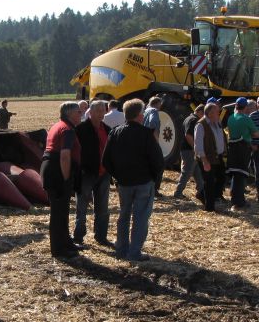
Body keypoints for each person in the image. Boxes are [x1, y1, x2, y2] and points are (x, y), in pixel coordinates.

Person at [102, 99, 164, 262]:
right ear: (139, 115)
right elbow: (158, 160)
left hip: (124, 182)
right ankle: (134, 252)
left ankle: (121, 249)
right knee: (141, 217)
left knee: (124, 215)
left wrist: (117, 176)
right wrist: (154, 179)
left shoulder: (115, 132)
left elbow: (106, 161)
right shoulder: (146, 134)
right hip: (144, 182)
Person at [40, 101, 83, 259]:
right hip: (58, 172)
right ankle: (58, 249)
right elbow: (65, 156)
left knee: (62, 210)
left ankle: (66, 242)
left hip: (50, 169)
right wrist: (66, 180)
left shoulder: (57, 125)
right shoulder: (67, 130)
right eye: (78, 112)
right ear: (70, 114)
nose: (81, 114)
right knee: (58, 212)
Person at [74, 99, 112, 247]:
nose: (102, 113)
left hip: (104, 174)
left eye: (103, 110)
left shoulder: (108, 129)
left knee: (102, 208)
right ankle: (78, 237)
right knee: (82, 207)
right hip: (86, 174)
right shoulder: (81, 129)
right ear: (91, 112)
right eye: (99, 111)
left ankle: (101, 237)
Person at [226, 97, 259, 210]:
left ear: (235, 106)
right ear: (245, 107)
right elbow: (256, 134)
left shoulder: (231, 118)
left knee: (235, 174)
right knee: (241, 175)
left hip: (232, 149)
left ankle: (234, 199)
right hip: (243, 149)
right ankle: (239, 202)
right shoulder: (246, 119)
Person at [194, 102, 227, 213]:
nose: (219, 113)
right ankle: (210, 207)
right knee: (209, 182)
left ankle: (201, 194)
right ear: (210, 113)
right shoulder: (201, 125)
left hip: (218, 157)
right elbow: (198, 145)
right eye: (217, 111)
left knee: (221, 178)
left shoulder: (217, 122)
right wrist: (204, 160)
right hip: (207, 158)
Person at [173, 104, 205, 201]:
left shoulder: (188, 118)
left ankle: (201, 191)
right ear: (200, 112)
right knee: (187, 172)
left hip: (187, 149)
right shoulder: (193, 120)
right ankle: (178, 192)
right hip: (189, 150)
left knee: (197, 172)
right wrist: (195, 148)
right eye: (204, 114)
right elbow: (188, 135)